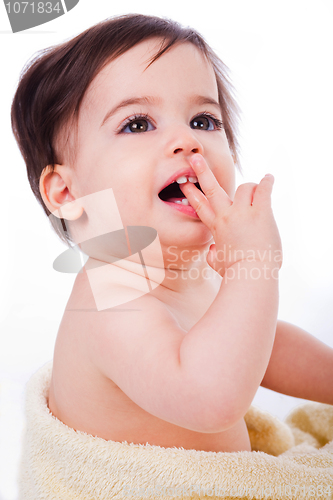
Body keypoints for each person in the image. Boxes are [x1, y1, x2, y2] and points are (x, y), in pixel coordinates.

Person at [11, 13, 333, 454]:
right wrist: (248, 267)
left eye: (203, 120)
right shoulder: (109, 301)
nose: (187, 140)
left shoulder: (192, 272)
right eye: (138, 124)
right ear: (67, 192)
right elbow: (209, 399)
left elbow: (263, 345)